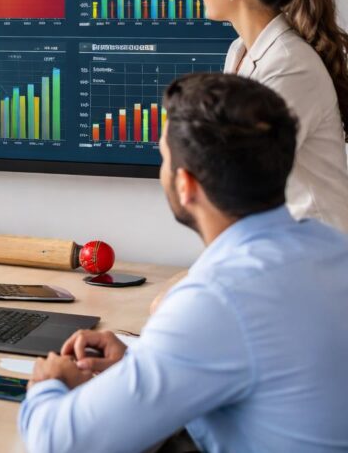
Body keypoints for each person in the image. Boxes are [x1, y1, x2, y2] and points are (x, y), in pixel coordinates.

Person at [19, 73, 348, 453]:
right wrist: (142, 363)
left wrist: (48, 381)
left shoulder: (218, 298)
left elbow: (57, 443)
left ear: (186, 185)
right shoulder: (331, 248)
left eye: (164, 159)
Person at [196, 0, 348, 232]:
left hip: (313, 245)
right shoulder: (240, 50)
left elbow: (245, 174)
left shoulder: (289, 66)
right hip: (277, 236)